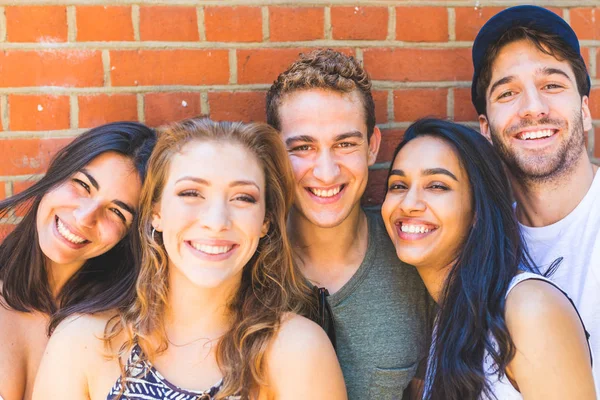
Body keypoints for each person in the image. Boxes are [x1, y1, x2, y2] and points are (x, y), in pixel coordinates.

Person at [33, 118, 346, 399]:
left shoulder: (297, 350)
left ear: (265, 221)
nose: (217, 220)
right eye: (191, 193)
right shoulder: (82, 343)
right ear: (156, 212)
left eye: (243, 198)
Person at [381, 118, 595, 399]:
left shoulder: (527, 309)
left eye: (437, 186)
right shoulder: (452, 312)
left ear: (478, 210)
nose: (408, 204)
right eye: (398, 185)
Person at [266, 49, 432, 399]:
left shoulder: (414, 256)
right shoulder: (246, 259)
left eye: (344, 144)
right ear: (274, 152)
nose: (326, 172)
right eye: (303, 148)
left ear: (372, 147)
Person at [471, 5, 600, 392]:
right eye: (508, 92)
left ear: (585, 109)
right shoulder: (478, 250)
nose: (533, 108)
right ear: (486, 129)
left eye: (552, 85)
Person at [0, 122, 156, 400]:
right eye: (83, 185)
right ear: (59, 171)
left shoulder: (120, 332)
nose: (85, 216)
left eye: (117, 212)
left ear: (128, 236)